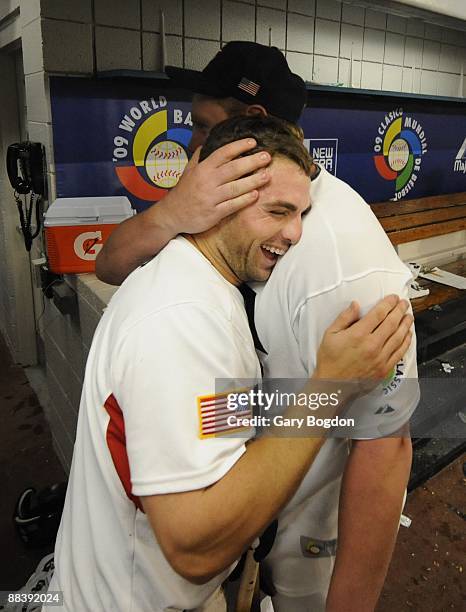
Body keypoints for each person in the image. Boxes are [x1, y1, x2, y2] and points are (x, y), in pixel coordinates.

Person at [95, 42, 418, 611]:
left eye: (203, 124)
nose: (192, 142)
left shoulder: (340, 258)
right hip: (235, 509)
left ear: (250, 123)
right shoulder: (215, 200)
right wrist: (171, 211)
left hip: (305, 534)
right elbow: (111, 265)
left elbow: (386, 444)